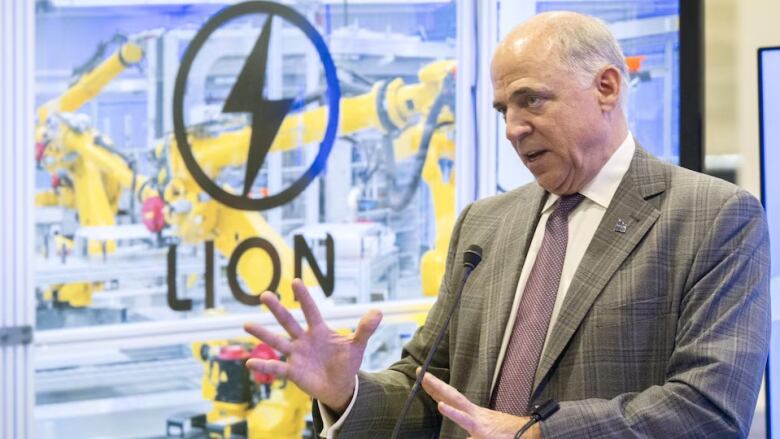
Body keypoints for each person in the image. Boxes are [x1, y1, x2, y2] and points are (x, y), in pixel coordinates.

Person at [243, 11, 770, 438]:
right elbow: (430, 387)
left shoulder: (712, 217)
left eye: (531, 100)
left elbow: (709, 412)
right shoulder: (484, 224)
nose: (514, 129)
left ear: (606, 87)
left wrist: (532, 434)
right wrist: (346, 391)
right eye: (502, 110)